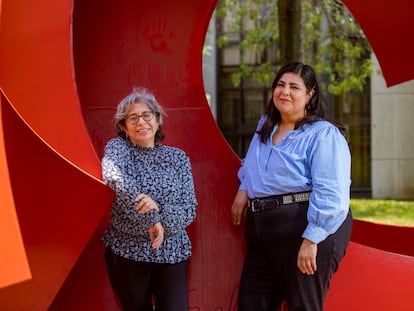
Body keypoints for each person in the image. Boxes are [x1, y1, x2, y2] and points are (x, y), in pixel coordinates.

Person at [231, 62, 352, 311]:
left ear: (310, 95)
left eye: (294, 87)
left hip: (304, 229)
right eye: (280, 85)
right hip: (262, 233)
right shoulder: (265, 126)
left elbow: (332, 192)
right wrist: (244, 187)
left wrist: (312, 239)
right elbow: (253, 164)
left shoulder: (323, 134)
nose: (285, 92)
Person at [101, 87, 198, 311]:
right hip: (127, 254)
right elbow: (114, 177)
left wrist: (159, 213)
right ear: (124, 126)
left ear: (157, 119)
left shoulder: (177, 157)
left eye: (147, 115)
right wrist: (152, 219)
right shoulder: (118, 148)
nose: (141, 122)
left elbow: (189, 208)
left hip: (172, 253)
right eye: (132, 118)